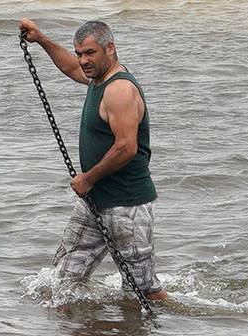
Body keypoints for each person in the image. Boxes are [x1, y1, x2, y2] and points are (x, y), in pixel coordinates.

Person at [18, 16, 166, 303]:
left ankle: (163, 335)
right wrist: (42, 39)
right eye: (80, 53)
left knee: (142, 292)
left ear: (109, 48)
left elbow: (126, 147)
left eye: (89, 53)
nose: (83, 60)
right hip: (94, 201)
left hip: (127, 207)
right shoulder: (97, 78)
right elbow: (70, 67)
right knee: (61, 281)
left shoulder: (120, 90)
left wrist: (88, 178)